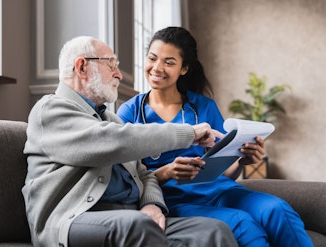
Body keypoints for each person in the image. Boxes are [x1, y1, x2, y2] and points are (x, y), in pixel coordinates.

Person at [22, 35, 238, 247]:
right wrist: (189, 134)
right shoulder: (50, 110)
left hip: (130, 216)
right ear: (81, 67)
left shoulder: (110, 119)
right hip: (71, 220)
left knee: (213, 230)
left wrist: (152, 203)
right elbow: (112, 142)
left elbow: (143, 173)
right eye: (111, 65)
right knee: (138, 225)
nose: (119, 75)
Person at [117, 27, 314, 247]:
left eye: (169, 62)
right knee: (242, 224)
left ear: (184, 68)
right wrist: (166, 172)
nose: (157, 68)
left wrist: (242, 161)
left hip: (219, 190)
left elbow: (223, 172)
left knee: (278, 210)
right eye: (152, 58)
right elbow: (124, 178)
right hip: (173, 199)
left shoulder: (203, 107)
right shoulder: (129, 113)